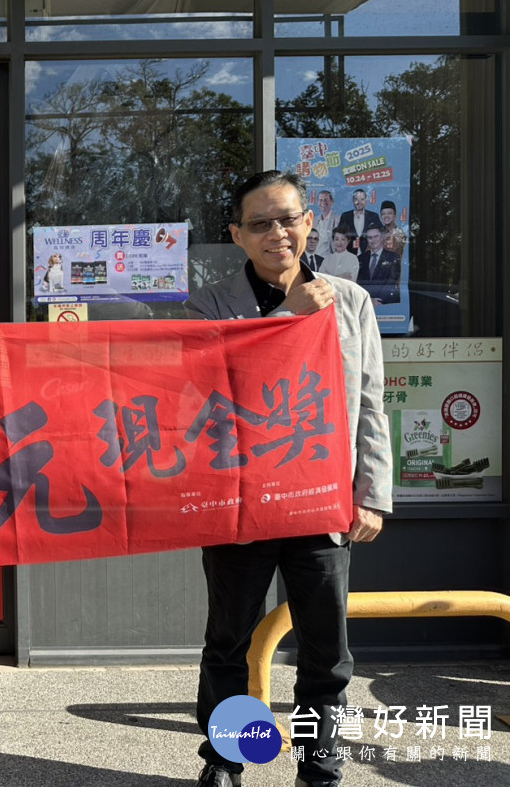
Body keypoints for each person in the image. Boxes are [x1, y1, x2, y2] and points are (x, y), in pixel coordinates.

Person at [185, 170, 392, 787]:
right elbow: (205, 387)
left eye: (287, 219)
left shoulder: (351, 301)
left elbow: (371, 404)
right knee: (229, 641)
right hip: (239, 504)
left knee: (326, 655)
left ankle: (318, 769)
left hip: (320, 503)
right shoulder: (212, 304)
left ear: (308, 224)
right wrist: (285, 315)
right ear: (237, 236)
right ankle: (227, 760)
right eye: (260, 223)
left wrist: (372, 494)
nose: (277, 232)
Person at [357, 226, 401, 304]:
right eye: (369, 238)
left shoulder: (393, 257)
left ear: (382, 238)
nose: (373, 240)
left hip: (385, 304)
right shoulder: (360, 258)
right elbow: (359, 282)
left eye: (376, 236)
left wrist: (376, 300)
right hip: (364, 303)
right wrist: (368, 300)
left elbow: (391, 282)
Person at [337, 188, 381, 254]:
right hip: (349, 254)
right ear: (353, 200)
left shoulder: (373, 216)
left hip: (369, 254)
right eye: (356, 199)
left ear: (366, 201)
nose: (359, 202)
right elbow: (339, 235)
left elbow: (381, 234)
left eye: (362, 199)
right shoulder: (345, 216)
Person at [314, 190, 339, 254]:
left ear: (332, 201)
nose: (323, 202)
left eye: (326, 200)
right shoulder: (314, 220)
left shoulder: (337, 220)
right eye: (320, 200)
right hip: (314, 259)